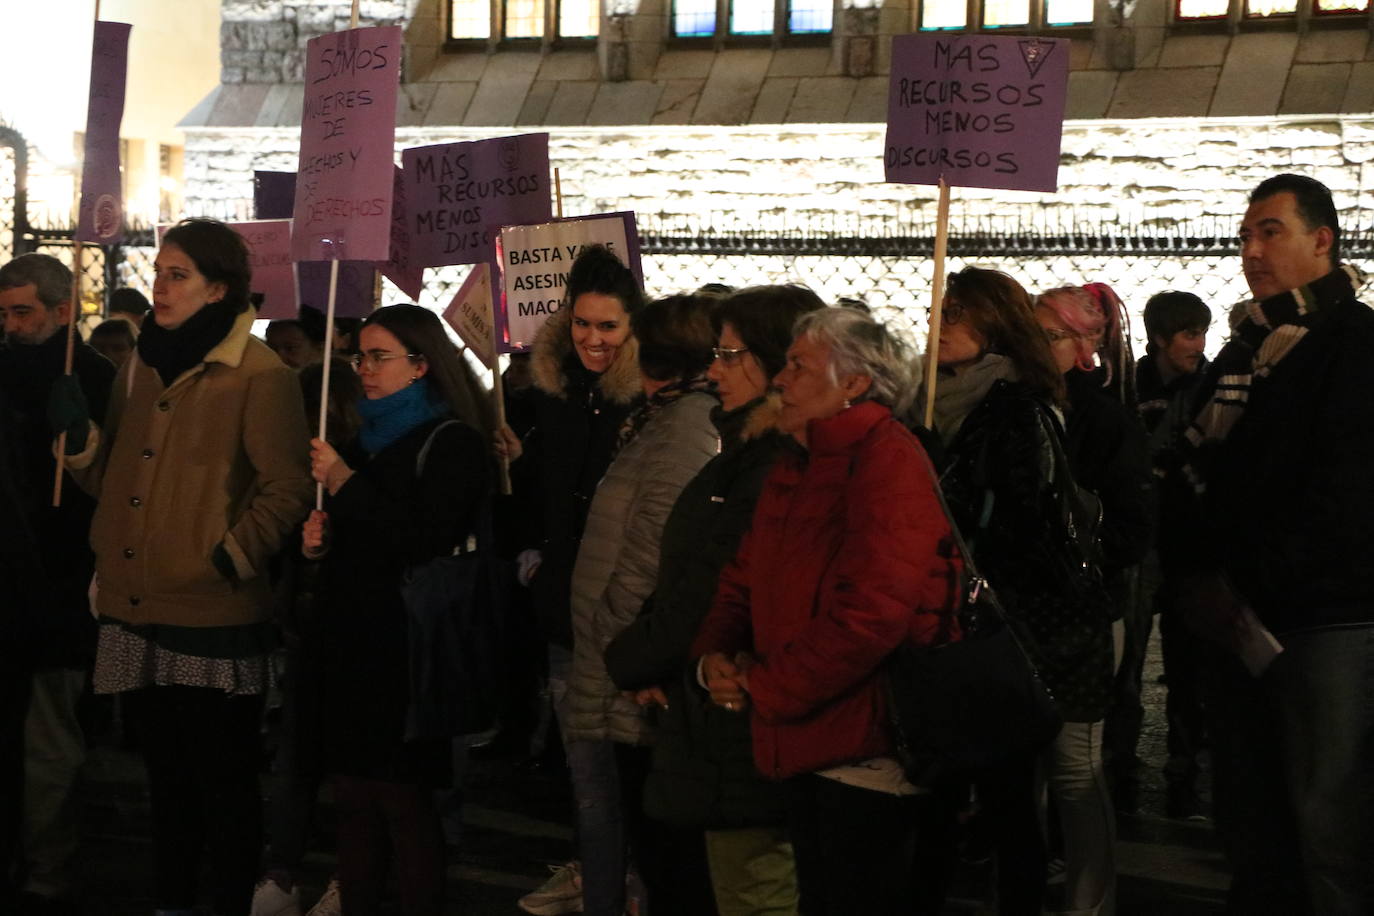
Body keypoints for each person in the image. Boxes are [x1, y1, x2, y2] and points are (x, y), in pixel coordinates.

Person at [55, 218, 314, 916]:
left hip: (210, 609)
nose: (159, 287)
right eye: (159, 272)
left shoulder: (259, 375)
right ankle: (173, 900)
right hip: (135, 602)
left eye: (177, 276)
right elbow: (111, 474)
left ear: (217, 289)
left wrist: (226, 557)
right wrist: (80, 444)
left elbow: (286, 487)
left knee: (221, 779)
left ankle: (226, 899)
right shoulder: (143, 362)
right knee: (164, 777)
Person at [692, 307, 963, 915]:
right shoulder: (798, 460)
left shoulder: (887, 461)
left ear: (855, 384)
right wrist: (714, 656)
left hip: (865, 748)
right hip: (803, 735)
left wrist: (766, 686)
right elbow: (742, 578)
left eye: (798, 365)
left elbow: (871, 615)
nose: (781, 380)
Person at [1177, 174, 1374, 915]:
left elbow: (1347, 493)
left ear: (1322, 241)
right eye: (1244, 236)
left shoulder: (1351, 345)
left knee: (1331, 823)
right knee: (1255, 814)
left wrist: (1248, 581)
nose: (1251, 251)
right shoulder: (1246, 350)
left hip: (1327, 617)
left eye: (1270, 232)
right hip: (1241, 619)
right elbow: (1200, 464)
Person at [604, 285, 824, 916]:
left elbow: (715, 585)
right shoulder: (739, 455)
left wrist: (642, 661)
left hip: (738, 713)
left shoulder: (770, 465)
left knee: (742, 889)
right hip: (702, 699)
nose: (714, 370)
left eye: (729, 355)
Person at [299, 304, 491, 916]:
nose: (365, 370)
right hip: (350, 640)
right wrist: (317, 542)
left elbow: (421, 536)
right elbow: (359, 535)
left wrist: (348, 484)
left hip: (407, 649)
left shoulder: (451, 442)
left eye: (379, 357)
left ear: (420, 364)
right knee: (352, 795)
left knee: (401, 797)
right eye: (360, 357)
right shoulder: (361, 440)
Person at [916, 267, 1077, 916]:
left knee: (1009, 802)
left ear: (994, 326)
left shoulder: (1017, 408)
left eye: (956, 313)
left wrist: (936, 476)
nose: (939, 324)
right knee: (935, 800)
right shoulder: (922, 398)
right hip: (933, 625)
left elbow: (1021, 522)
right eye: (939, 311)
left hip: (996, 629)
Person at [495, 246, 644, 916]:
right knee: (586, 782)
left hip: (626, 615)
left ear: (632, 329)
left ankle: (632, 886)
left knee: (634, 778)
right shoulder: (554, 397)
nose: (592, 338)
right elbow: (549, 501)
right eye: (582, 323)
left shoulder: (645, 404)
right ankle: (603, 889)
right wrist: (535, 558)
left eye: (608, 326)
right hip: (563, 612)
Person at [562, 293, 720, 916]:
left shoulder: (685, 425)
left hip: (632, 667)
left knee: (665, 850)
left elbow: (651, 551)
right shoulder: (662, 420)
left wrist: (617, 651)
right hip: (622, 656)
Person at [0, 252, 116, 911]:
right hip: (9, 580)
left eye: (24, 313)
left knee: (49, 741)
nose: (12, 326)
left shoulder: (94, 376)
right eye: (4, 314)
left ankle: (48, 866)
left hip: (59, 581)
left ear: (62, 311)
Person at [1034, 284, 1154, 915]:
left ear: (1084, 346)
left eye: (1051, 335)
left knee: (1077, 771)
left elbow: (1133, 527)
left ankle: (1093, 902)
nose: (1036, 345)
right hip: (1025, 616)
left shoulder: (1103, 419)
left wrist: (1079, 561)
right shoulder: (1016, 406)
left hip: (1078, 614)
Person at [1109, 291, 1212, 818]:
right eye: (1190, 334)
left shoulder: (1212, 384)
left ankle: (1183, 765)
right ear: (1159, 339)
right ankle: (1120, 765)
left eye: (1202, 331)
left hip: (1190, 539)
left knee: (1187, 661)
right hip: (1143, 540)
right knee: (1127, 659)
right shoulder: (1129, 387)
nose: (1200, 344)